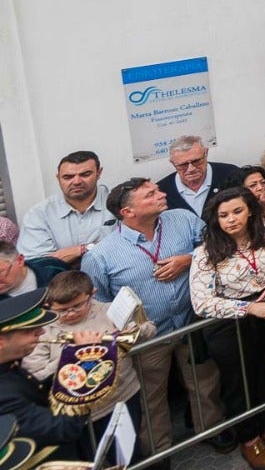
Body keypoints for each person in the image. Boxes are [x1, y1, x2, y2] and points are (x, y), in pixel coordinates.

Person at [83, 177, 228, 459]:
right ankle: (157, 453)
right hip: (148, 340)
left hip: (191, 323)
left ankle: (212, 430)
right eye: (150, 194)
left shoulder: (183, 219)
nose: (162, 194)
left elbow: (215, 244)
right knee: (151, 399)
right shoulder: (101, 256)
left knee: (206, 382)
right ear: (128, 212)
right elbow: (98, 306)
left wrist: (188, 259)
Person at [189, 187, 265, 469]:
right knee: (240, 381)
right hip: (229, 322)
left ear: (250, 209)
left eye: (237, 211)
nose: (231, 219)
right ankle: (249, 439)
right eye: (223, 215)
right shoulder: (205, 251)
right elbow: (201, 303)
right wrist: (247, 308)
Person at [22, 270, 157, 450]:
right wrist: (73, 354)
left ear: (92, 295)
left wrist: (133, 331)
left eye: (77, 306)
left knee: (130, 452)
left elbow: (150, 329)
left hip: (123, 397)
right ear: (49, 304)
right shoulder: (42, 331)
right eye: (61, 310)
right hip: (78, 412)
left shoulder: (110, 310)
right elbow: (34, 376)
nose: (70, 313)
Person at [0, 290, 94, 462]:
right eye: (31, 331)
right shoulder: (3, 396)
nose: (42, 332)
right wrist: (84, 364)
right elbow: (63, 428)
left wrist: (71, 362)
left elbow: (35, 391)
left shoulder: (9, 365)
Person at [16, 152, 110, 264]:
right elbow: (41, 264)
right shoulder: (39, 214)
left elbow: (132, 245)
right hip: (60, 279)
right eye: (68, 177)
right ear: (58, 178)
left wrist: (81, 250)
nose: (76, 182)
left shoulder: (118, 203)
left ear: (99, 173)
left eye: (85, 174)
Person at [159, 136, 243, 216]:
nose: (191, 169)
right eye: (183, 165)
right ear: (173, 163)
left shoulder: (231, 174)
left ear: (206, 153)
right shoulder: (161, 192)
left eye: (196, 161)